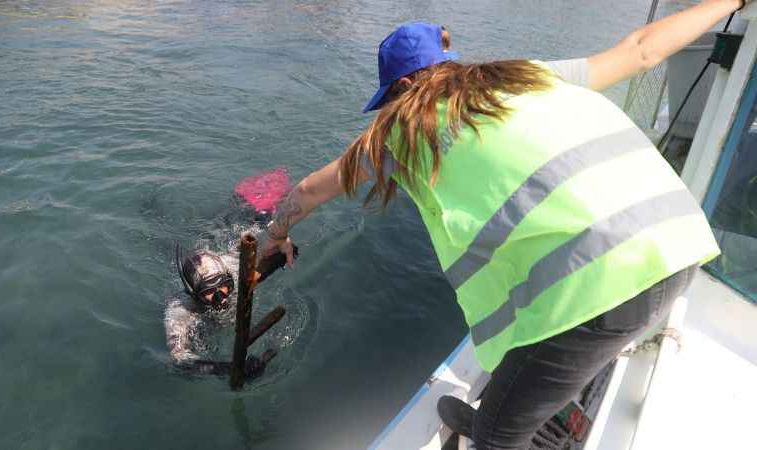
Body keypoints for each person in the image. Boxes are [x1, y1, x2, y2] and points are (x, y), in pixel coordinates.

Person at [260, 1, 748, 448]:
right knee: (527, 361)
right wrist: (733, 1)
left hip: (605, 287)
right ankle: (510, 409)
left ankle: (500, 427)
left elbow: (309, 191)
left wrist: (276, 235)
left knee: (497, 439)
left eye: (389, 99)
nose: (389, 111)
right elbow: (642, 50)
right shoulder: (528, 77)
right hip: (676, 247)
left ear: (405, 88)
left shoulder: (401, 134)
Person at [165, 168, 296, 379]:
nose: (220, 294)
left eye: (222, 284)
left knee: (258, 218)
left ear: (228, 276)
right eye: (209, 290)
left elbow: (277, 246)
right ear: (194, 293)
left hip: (226, 236)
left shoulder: (234, 267)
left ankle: (241, 199)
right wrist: (227, 368)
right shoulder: (181, 309)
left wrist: (282, 247)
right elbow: (178, 359)